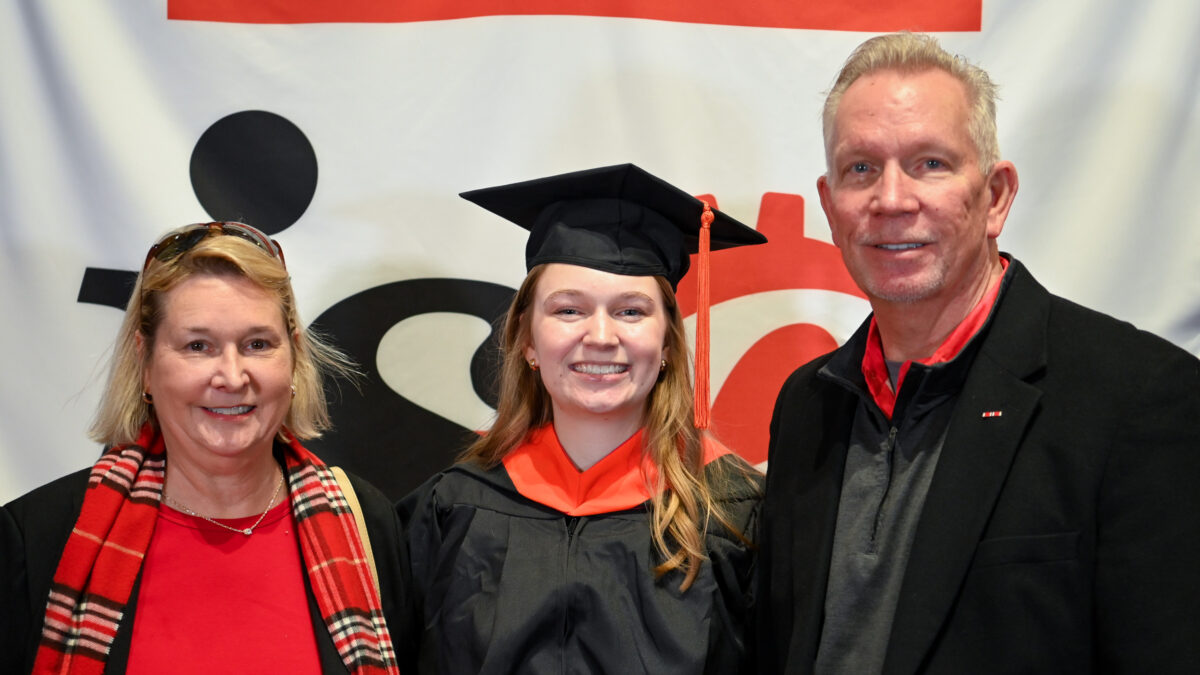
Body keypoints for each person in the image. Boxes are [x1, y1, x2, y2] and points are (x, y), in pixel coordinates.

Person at [758, 32, 1200, 674]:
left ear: (995, 196)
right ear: (830, 207)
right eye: (861, 168)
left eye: (929, 164)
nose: (891, 199)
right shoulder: (806, 406)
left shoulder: (1139, 399)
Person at [399, 163, 766, 674]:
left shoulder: (738, 516)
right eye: (568, 309)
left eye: (631, 311)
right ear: (528, 340)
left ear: (667, 345)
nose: (600, 335)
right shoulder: (453, 509)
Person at [0, 222, 414, 674]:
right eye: (198, 346)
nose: (232, 377)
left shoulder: (367, 526)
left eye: (258, 344)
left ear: (294, 358)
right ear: (144, 364)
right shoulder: (39, 538)